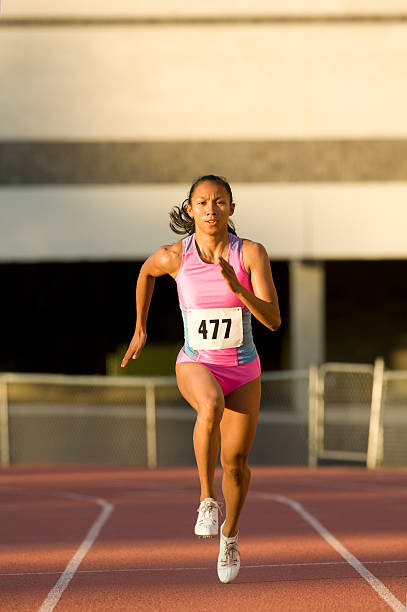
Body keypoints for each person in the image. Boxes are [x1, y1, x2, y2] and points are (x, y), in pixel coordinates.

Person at [121, 174, 281, 583]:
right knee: (209, 405)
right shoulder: (175, 256)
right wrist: (141, 328)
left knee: (236, 464)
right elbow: (145, 273)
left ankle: (230, 534)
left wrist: (238, 289)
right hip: (196, 362)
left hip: (243, 368)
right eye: (203, 202)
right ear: (190, 209)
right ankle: (206, 500)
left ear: (231, 207)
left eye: (220, 201)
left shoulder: (251, 254)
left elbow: (274, 321)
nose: (212, 209)